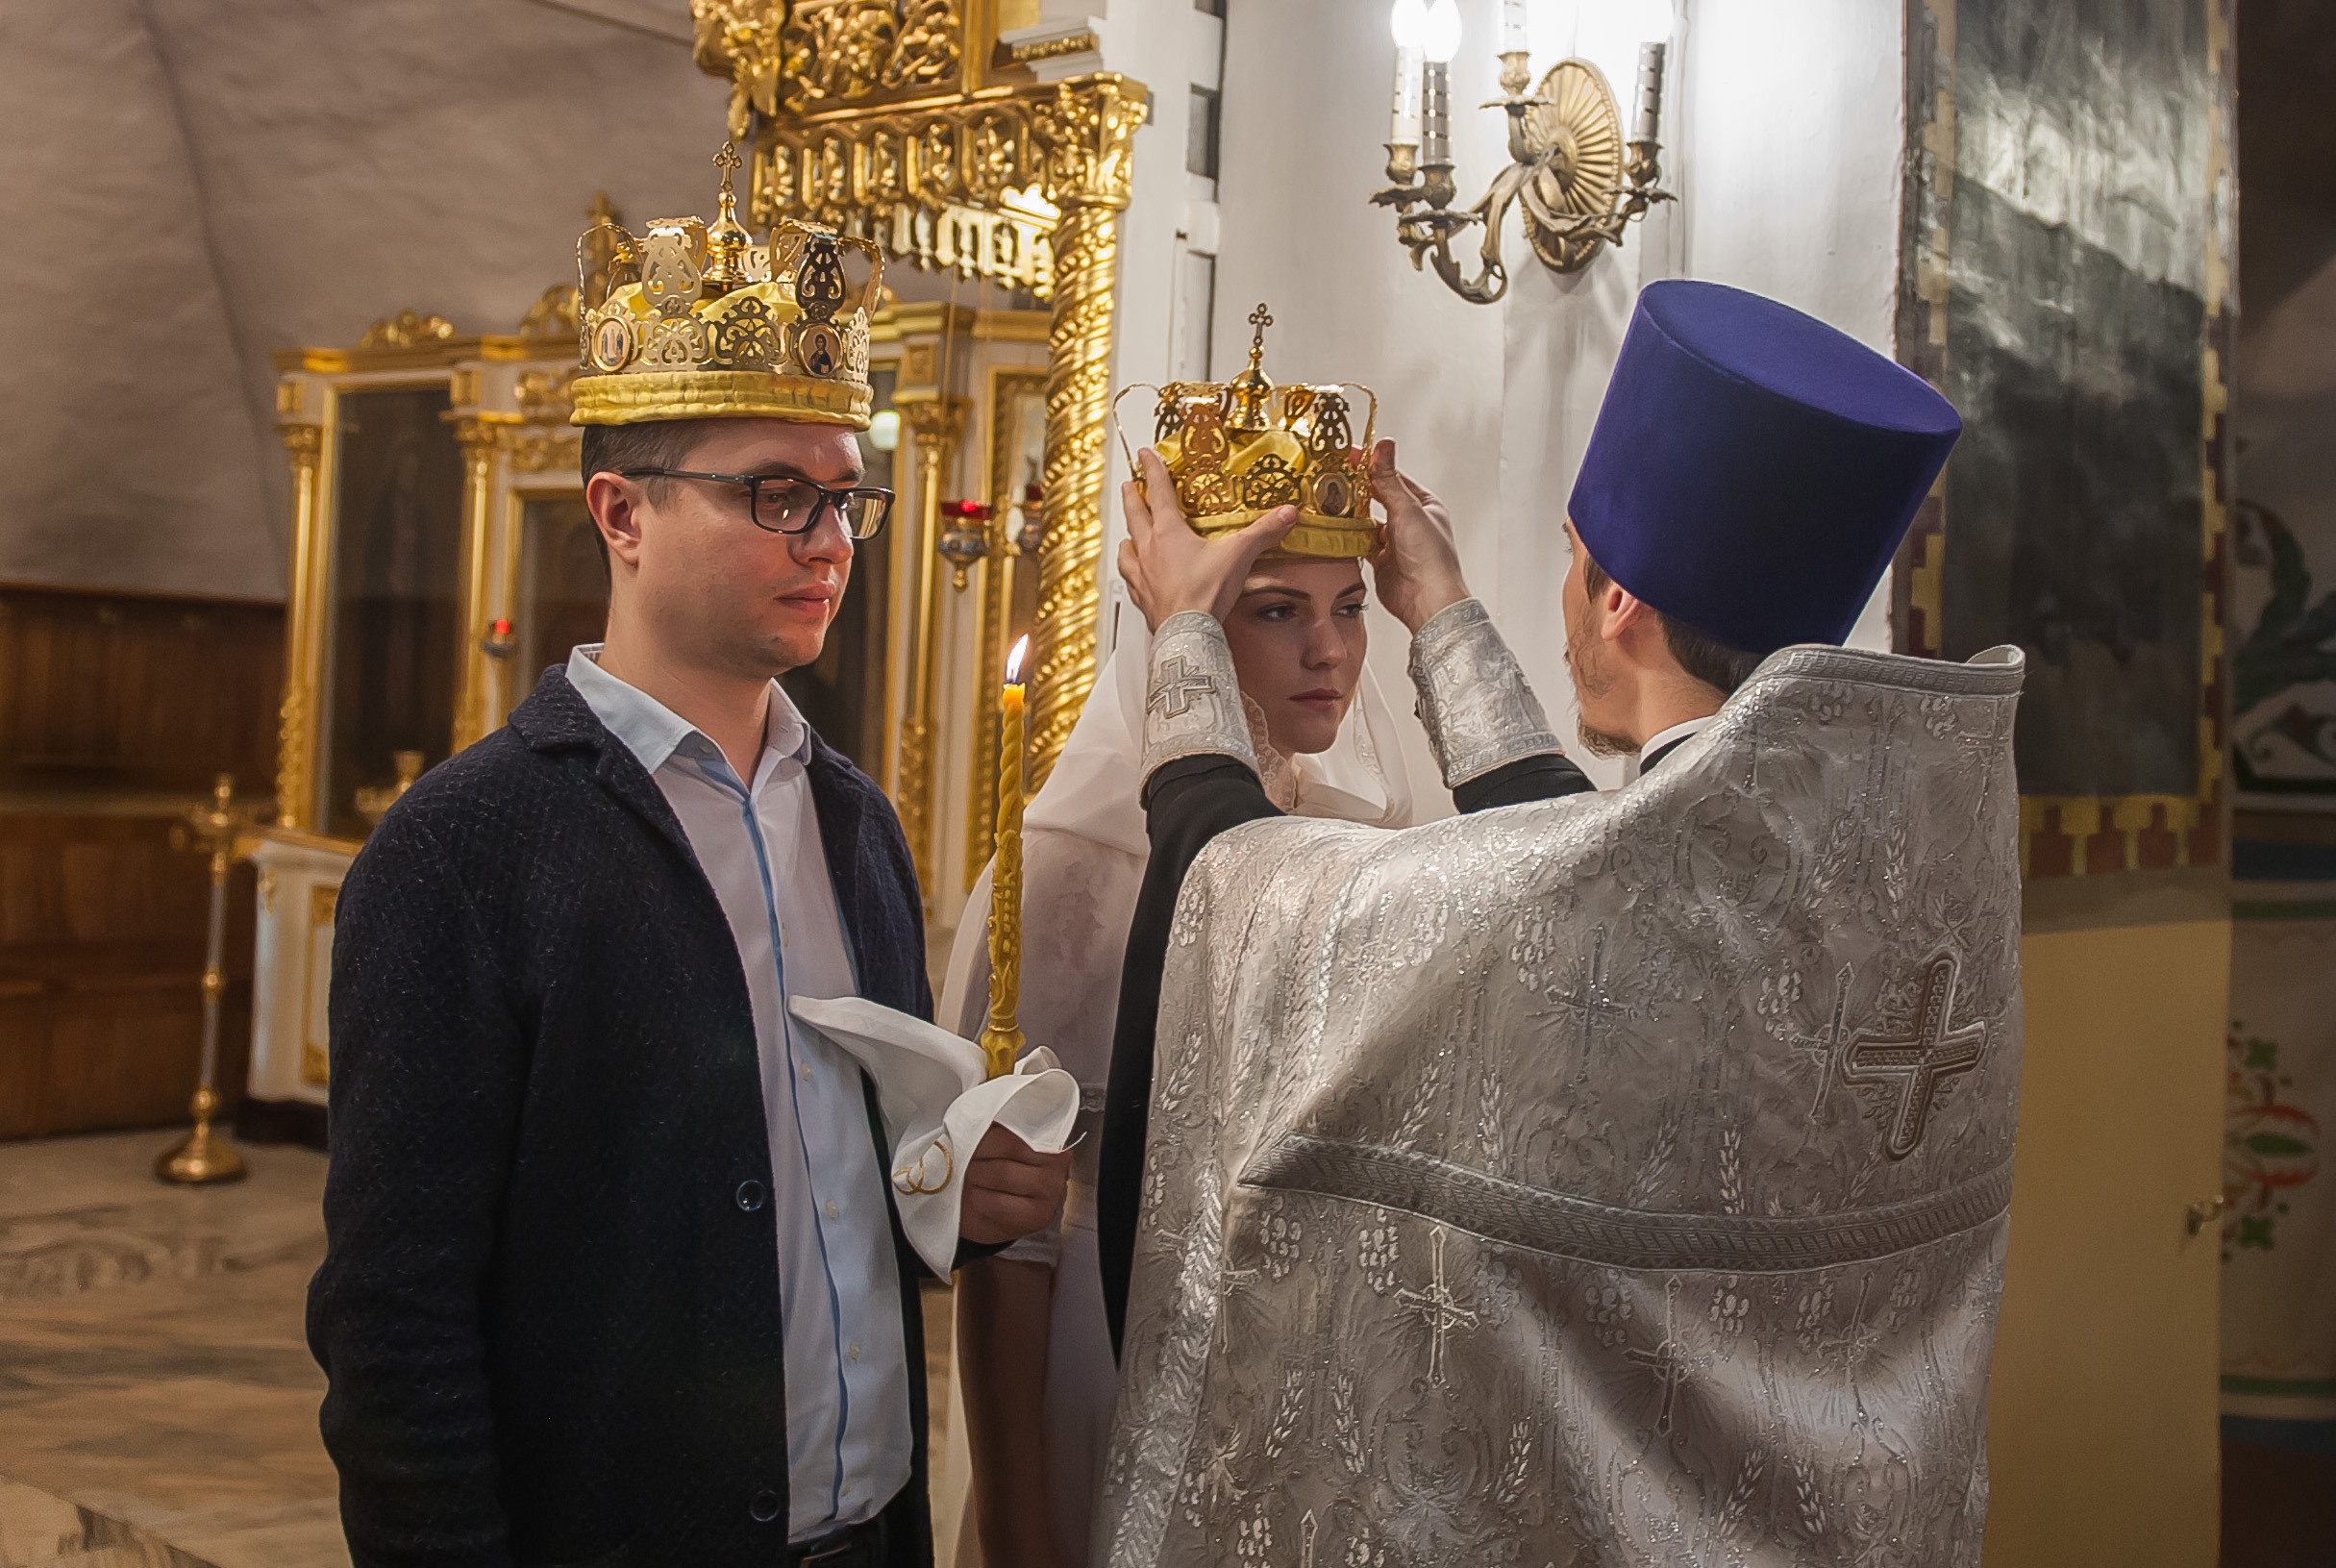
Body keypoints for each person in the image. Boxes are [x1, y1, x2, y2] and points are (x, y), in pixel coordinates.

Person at [1094, 280, 2025, 1564]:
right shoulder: (1908, 871)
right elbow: (1585, 869)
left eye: (1577, 560)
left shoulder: (1586, 899)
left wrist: (1187, 636)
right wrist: (1444, 617)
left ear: (1615, 598)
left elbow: (1229, 882)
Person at [307, 156, 1069, 1568]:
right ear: (621, 513)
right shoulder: (462, 850)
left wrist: (950, 1200)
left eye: (845, 497)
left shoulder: (854, 823)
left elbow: (824, 1190)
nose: (828, 541)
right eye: (775, 494)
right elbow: (395, 1320)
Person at [937, 542, 1415, 1568]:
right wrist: (1020, 1534)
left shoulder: (1351, 842)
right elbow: (1011, 1244)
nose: (1330, 650)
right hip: (1115, 1346)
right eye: (1279, 611)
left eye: (1348, 606)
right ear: (1181, 623)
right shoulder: (1072, 865)